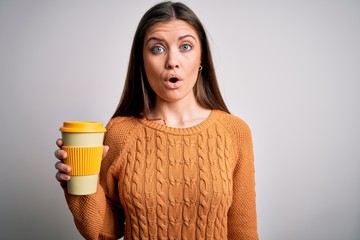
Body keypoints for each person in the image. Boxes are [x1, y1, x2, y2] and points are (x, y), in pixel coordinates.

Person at [55, 1, 258, 239]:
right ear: (142, 61)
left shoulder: (234, 132)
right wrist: (78, 182)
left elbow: (243, 233)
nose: (172, 61)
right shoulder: (120, 133)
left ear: (201, 57)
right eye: (157, 49)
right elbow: (102, 232)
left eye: (185, 46)